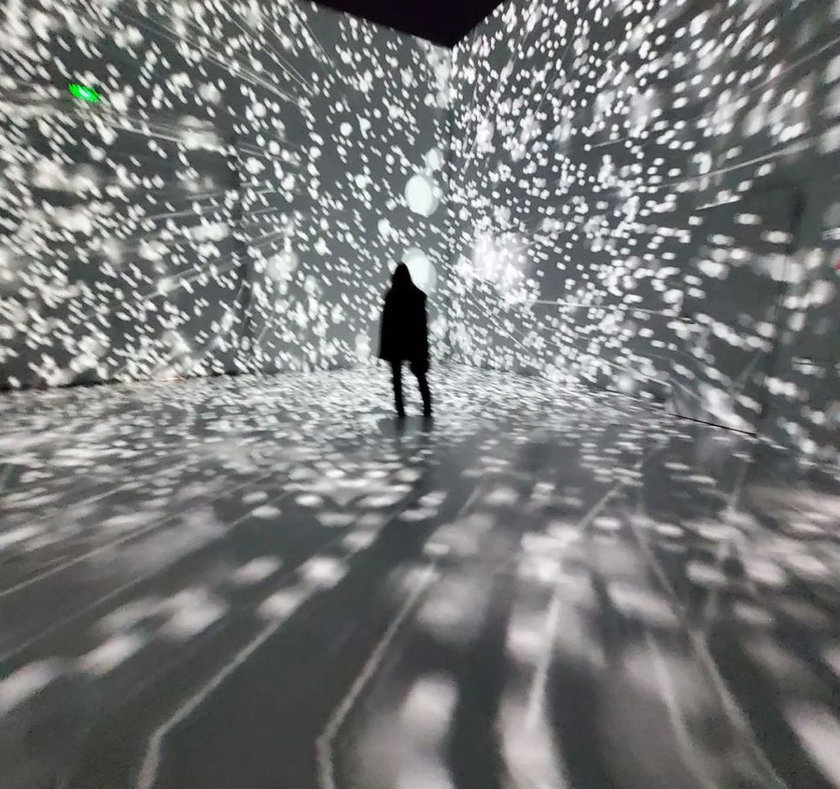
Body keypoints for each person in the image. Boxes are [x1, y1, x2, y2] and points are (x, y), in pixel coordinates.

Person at [378, 263, 432, 418]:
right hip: (414, 342)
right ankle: (427, 407)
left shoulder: (391, 296)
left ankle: (400, 409)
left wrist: (385, 348)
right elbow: (422, 325)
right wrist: (424, 347)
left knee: (396, 377)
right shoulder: (418, 296)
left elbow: (386, 325)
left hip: (396, 343)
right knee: (420, 375)